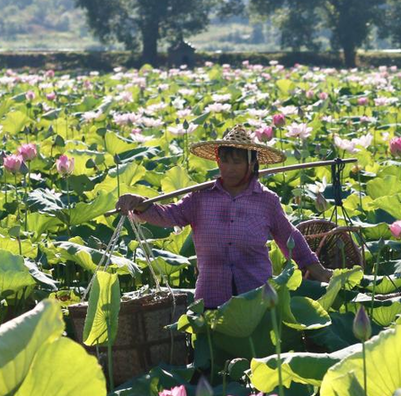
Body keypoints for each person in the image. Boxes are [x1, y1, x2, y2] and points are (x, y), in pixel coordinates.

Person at [116, 125, 337, 309]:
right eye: (224, 160)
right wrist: (140, 204)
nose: (229, 168)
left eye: (237, 162)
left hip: (256, 296)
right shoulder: (201, 197)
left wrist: (317, 270)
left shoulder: (266, 200)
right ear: (217, 160)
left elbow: (290, 238)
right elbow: (169, 215)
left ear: (252, 164)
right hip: (211, 295)